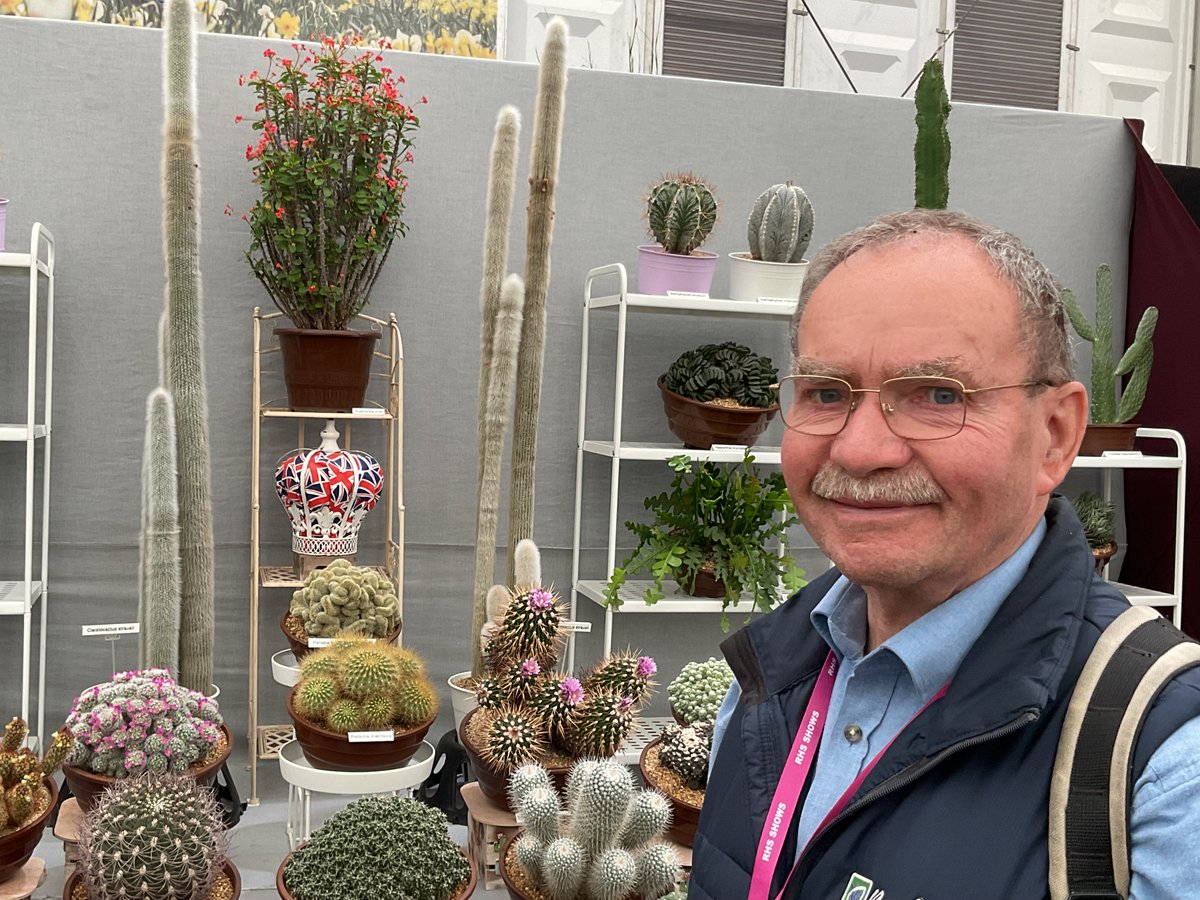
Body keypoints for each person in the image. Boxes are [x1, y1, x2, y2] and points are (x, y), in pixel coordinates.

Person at [689, 209, 1200, 900]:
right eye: (826, 393)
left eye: (936, 396)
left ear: (1055, 435)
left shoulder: (1165, 764)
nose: (861, 451)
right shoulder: (766, 680)